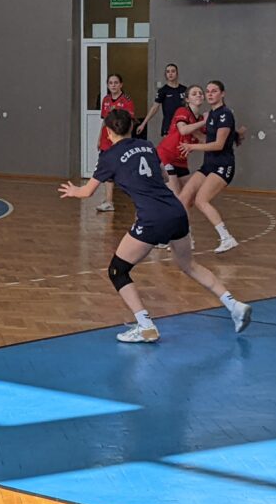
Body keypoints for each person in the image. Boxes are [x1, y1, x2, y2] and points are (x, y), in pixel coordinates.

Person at [59, 109, 251, 343]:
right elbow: (164, 177)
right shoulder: (148, 146)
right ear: (131, 127)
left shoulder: (109, 157)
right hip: (176, 211)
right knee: (189, 265)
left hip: (152, 218)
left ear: (108, 132)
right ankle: (234, 305)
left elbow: (88, 192)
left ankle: (145, 325)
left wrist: (73, 191)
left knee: (118, 270)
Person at [178, 80, 240, 254]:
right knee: (184, 198)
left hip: (223, 166)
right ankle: (187, 239)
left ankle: (227, 238)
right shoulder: (210, 115)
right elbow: (208, 139)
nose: (210, 94)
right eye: (208, 91)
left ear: (222, 93)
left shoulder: (225, 114)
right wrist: (192, 131)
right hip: (209, 165)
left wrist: (192, 147)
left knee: (201, 200)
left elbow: (219, 144)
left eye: (214, 91)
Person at [157, 84, 207, 199]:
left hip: (181, 161)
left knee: (189, 196)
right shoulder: (182, 111)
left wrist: (233, 134)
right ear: (187, 99)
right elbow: (183, 130)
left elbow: (205, 139)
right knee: (177, 196)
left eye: (200, 93)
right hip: (166, 156)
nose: (198, 95)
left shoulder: (200, 119)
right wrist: (205, 121)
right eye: (194, 94)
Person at [95, 73, 134, 212]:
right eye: (110, 83)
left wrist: (127, 140)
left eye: (116, 82)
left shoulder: (127, 100)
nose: (113, 85)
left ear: (121, 84)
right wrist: (99, 138)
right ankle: (109, 201)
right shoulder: (105, 99)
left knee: (125, 169)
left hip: (119, 139)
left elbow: (130, 122)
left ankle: (136, 200)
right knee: (107, 169)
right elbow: (105, 121)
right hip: (107, 139)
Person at [136, 63, 188, 138]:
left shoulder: (184, 89)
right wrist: (143, 124)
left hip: (183, 124)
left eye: (173, 71)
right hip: (168, 125)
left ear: (177, 73)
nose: (170, 73)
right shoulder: (163, 91)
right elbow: (154, 108)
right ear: (165, 74)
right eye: (168, 71)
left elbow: (189, 107)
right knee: (169, 145)